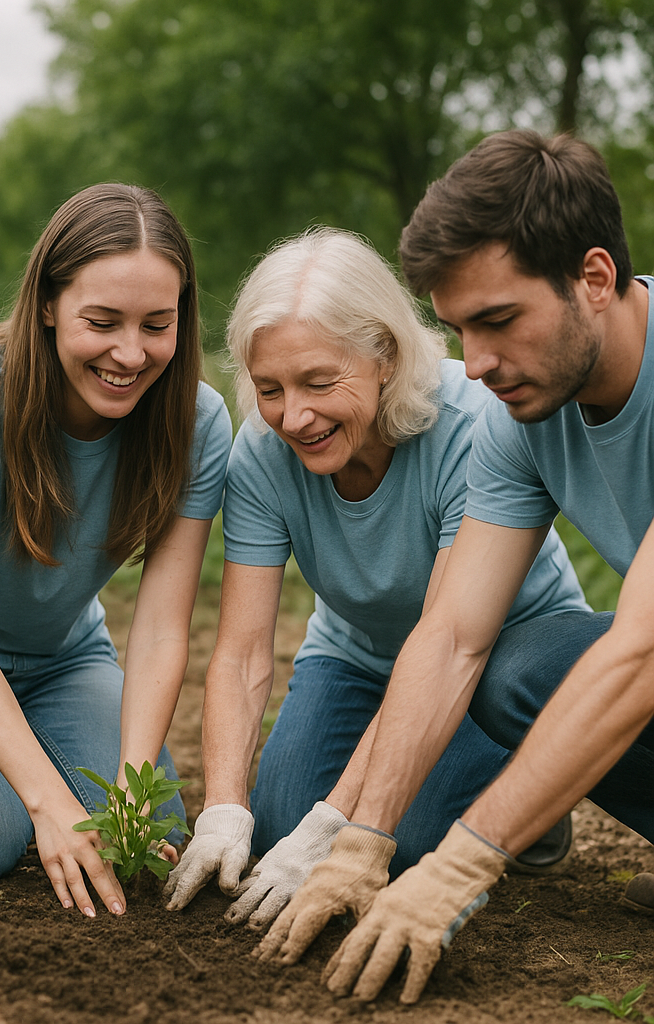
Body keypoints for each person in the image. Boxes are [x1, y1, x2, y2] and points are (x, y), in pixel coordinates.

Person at [256, 130, 654, 1004]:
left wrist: (459, 866)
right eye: (460, 329)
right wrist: (363, 839)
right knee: (518, 670)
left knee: (572, 662)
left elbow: (642, 651)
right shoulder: (522, 417)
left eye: (500, 320)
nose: (473, 364)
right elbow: (452, 635)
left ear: (593, 278)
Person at [163, 227, 594, 924]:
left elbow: (448, 637)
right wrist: (221, 806)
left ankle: (531, 804)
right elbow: (242, 651)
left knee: (400, 845)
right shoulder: (262, 451)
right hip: (358, 653)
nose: (294, 416)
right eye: (270, 387)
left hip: (490, 663)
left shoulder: (469, 426)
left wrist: (341, 823)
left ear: (385, 356)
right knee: (276, 832)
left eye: (319, 381)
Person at [0, 182, 232, 919]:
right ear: (50, 304)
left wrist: (126, 788)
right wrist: (47, 800)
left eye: (158, 324)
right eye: (103, 321)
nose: (131, 353)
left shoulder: (197, 421)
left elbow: (158, 631)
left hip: (62, 656)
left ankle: (17, 750)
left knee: (147, 832)